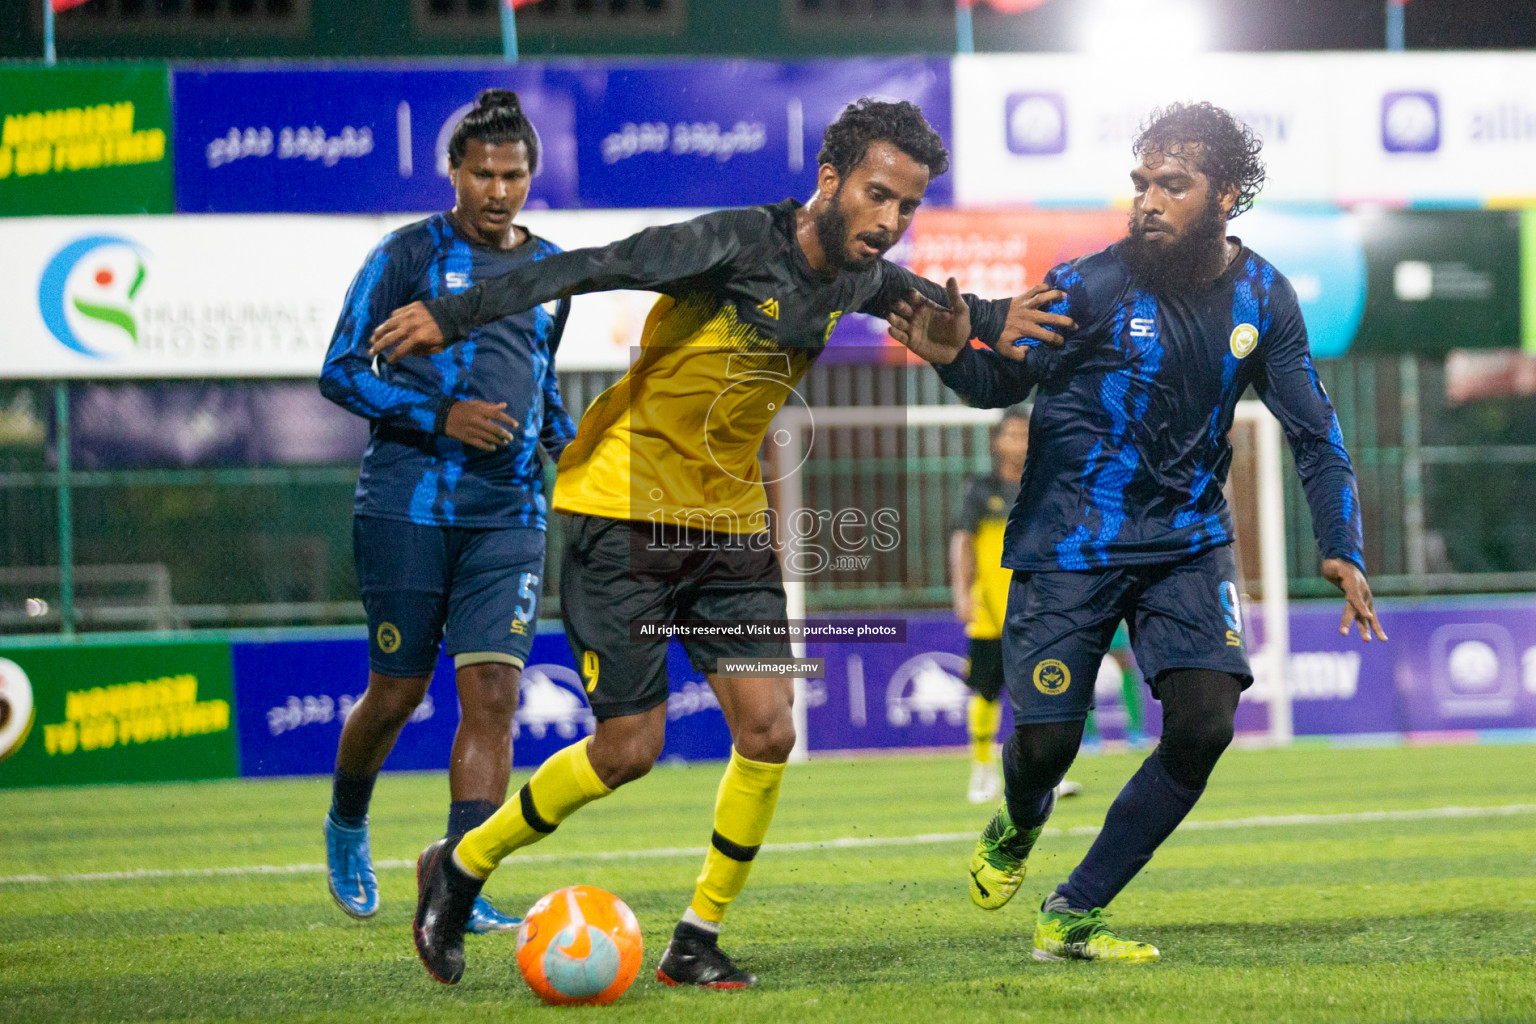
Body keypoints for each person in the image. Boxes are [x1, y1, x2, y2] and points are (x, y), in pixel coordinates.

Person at [369, 98, 1077, 988]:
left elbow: (942, 308)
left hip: (729, 524)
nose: (890, 220)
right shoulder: (736, 243)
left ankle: (695, 937)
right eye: (877, 195)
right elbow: (596, 266)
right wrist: (456, 312)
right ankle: (464, 864)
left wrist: (990, 321)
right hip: (622, 508)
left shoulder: (863, 273)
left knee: (769, 730)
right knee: (628, 749)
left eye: (907, 206)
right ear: (830, 180)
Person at [888, 101, 1387, 963]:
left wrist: (1340, 544)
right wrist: (947, 355)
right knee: (1045, 746)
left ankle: (1073, 911)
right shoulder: (1092, 283)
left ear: (1226, 194)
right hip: (1069, 542)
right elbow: (998, 380)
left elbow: (1315, 432)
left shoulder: (1265, 295)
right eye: (1142, 182)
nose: (1149, 200)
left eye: (1173, 184)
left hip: (1188, 544)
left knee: (1204, 726)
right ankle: (1020, 817)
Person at [316, 90, 576, 936]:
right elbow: (340, 370)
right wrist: (441, 415)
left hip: (510, 513)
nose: (498, 191)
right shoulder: (407, 253)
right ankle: (348, 824)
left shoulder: (553, 270)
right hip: (407, 505)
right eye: (482, 175)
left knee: (495, 693)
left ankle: (461, 879)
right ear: (454, 174)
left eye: (514, 175)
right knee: (394, 695)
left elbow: (543, 382)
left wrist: (573, 446)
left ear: (532, 176)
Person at [951, 409, 1080, 803]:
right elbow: (962, 542)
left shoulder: (1047, 488)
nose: (1020, 443)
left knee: (1043, 692)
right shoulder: (981, 490)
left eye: (1027, 435)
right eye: (1013, 435)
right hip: (991, 611)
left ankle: (1044, 775)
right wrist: (960, 593)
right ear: (997, 441)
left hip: (1039, 610)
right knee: (987, 692)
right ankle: (982, 770)